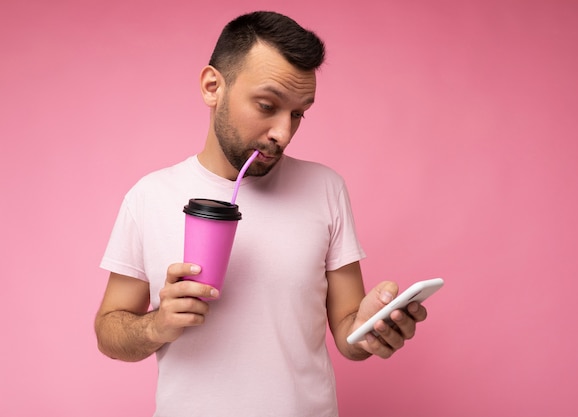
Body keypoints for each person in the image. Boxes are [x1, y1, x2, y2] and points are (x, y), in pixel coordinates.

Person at [95, 10, 428, 417]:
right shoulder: (149, 196)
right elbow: (109, 331)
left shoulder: (326, 189)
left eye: (298, 113)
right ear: (213, 86)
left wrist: (371, 328)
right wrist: (156, 325)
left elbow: (346, 332)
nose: (282, 133)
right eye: (267, 105)